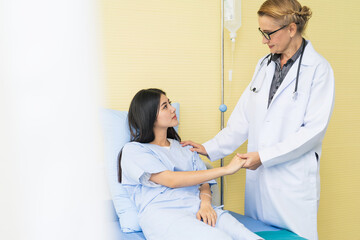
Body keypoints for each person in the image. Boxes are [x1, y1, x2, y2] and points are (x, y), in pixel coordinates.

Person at [181, 1, 335, 240]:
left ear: (292, 29)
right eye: (261, 33)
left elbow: (313, 131)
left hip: (292, 183)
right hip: (259, 184)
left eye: (268, 33)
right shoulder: (263, 65)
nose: (264, 40)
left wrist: (264, 157)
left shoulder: (318, 69)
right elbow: (243, 118)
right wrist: (209, 147)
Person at [119, 88, 263, 240]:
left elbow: (204, 183)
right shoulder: (134, 150)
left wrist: (206, 204)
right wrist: (226, 169)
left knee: (249, 236)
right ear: (149, 116)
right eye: (165, 106)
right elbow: (172, 180)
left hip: (199, 208)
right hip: (164, 215)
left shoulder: (185, 148)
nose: (173, 108)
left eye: (170, 103)